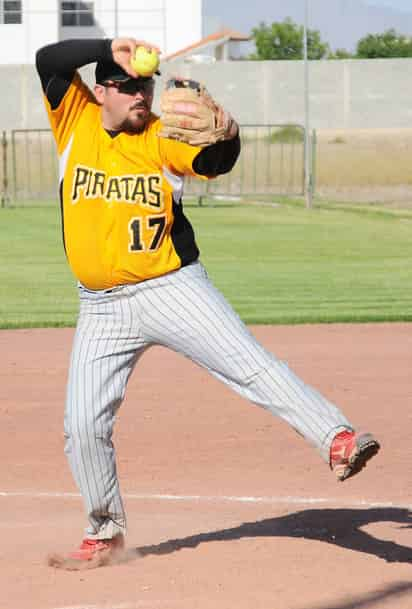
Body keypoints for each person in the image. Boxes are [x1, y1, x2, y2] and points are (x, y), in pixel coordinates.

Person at [35, 37, 380, 569]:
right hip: (100, 307)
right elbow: (47, 60)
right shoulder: (73, 118)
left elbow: (213, 159)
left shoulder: (159, 136)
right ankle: (105, 533)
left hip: (172, 287)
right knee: (82, 425)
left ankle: (335, 437)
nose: (140, 96)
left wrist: (231, 138)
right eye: (128, 88)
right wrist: (111, 46)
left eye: (144, 86)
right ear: (100, 90)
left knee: (249, 364)